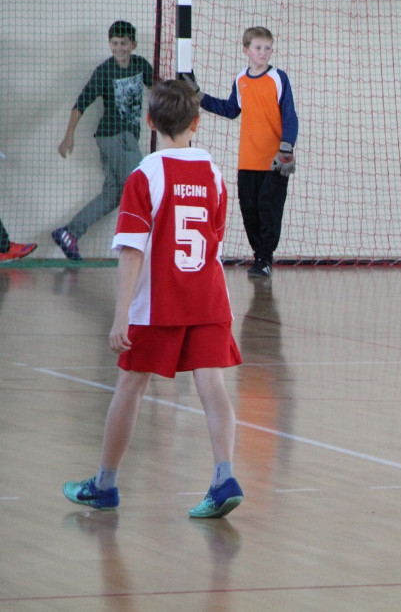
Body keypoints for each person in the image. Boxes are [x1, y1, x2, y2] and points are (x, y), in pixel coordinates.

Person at [63, 79, 244, 518]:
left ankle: (105, 484)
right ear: (197, 123)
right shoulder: (214, 174)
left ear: (149, 122)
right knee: (212, 384)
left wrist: (121, 314)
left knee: (130, 385)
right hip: (208, 297)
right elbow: (215, 240)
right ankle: (224, 476)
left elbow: (132, 250)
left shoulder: (145, 175)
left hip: (159, 302)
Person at [189, 26, 298, 278]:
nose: (263, 52)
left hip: (275, 160)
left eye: (268, 48)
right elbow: (230, 109)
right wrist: (198, 95)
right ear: (246, 50)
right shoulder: (240, 79)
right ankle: (259, 256)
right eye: (258, 47)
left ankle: (265, 258)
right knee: (249, 209)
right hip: (247, 160)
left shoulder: (279, 78)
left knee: (269, 209)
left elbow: (290, 115)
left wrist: (287, 146)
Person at [54, 21, 154, 261]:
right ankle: (149, 247)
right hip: (113, 136)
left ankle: (69, 233)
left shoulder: (140, 65)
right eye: (114, 43)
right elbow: (81, 103)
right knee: (142, 186)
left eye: (123, 43)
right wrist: (69, 135)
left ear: (133, 45)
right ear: (110, 44)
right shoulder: (104, 71)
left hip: (126, 138)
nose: (119, 48)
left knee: (113, 195)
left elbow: (158, 89)